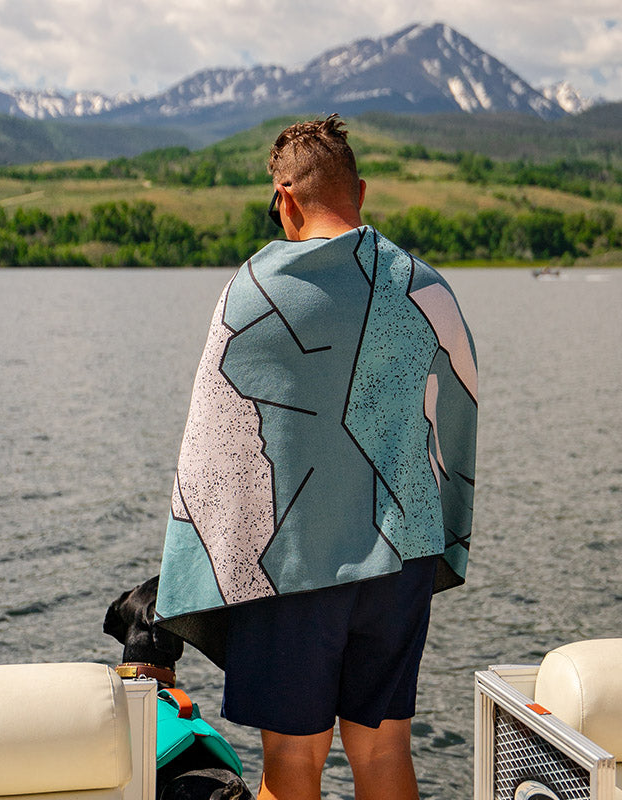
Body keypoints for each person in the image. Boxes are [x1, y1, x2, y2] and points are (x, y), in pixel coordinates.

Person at [155, 115, 478, 800]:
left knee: (293, 767)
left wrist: (201, 567)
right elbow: (459, 414)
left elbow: (214, 441)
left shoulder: (253, 289)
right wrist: (439, 536)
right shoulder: (426, 286)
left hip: (290, 561)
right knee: (386, 753)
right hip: (399, 560)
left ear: (286, 199)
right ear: (358, 191)